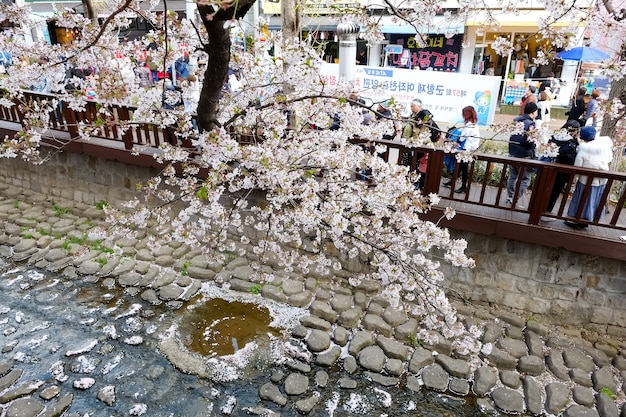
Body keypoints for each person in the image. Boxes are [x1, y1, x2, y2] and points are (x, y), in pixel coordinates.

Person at [565, 126, 613, 229]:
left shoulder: (583, 149)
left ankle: (579, 220)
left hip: (585, 181)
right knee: (594, 200)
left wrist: (573, 180)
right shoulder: (604, 147)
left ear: (583, 137)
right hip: (601, 180)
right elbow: (609, 159)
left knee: (582, 200)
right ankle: (588, 220)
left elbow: (577, 167)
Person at [542, 120, 580, 220]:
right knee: (555, 191)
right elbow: (571, 159)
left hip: (548, 167)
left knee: (544, 188)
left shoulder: (554, 137)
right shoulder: (571, 143)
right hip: (562, 172)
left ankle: (537, 209)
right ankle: (547, 212)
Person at [507, 101, 538, 206]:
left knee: (512, 176)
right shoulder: (531, 124)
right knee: (525, 179)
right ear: (533, 113)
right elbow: (530, 141)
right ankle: (515, 198)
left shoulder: (516, 120)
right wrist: (534, 146)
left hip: (512, 152)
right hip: (524, 155)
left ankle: (509, 196)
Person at [443, 106, 480, 193]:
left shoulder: (469, 125)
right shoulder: (474, 123)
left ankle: (463, 186)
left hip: (466, 148)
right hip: (471, 148)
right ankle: (452, 182)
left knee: (464, 168)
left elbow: (462, 138)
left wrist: (453, 140)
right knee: (461, 167)